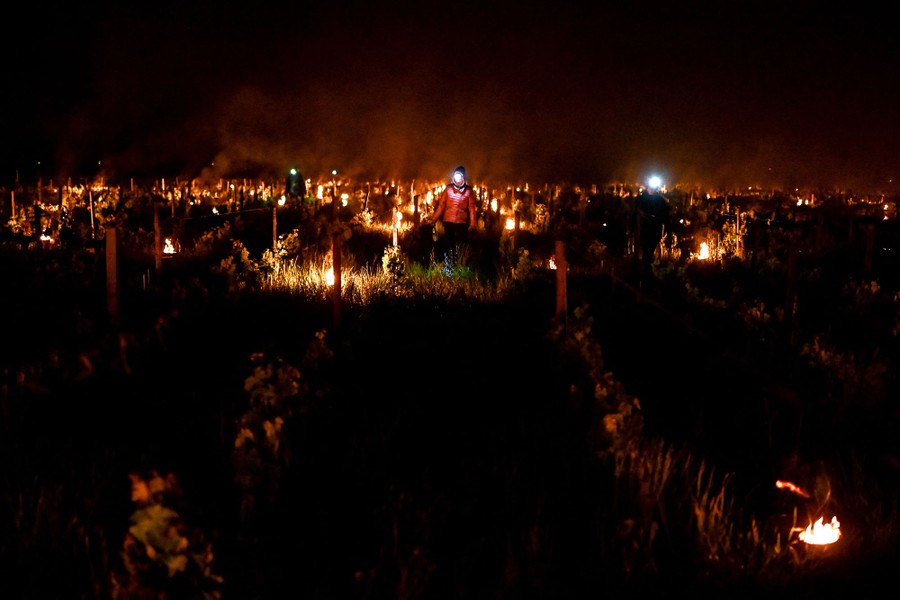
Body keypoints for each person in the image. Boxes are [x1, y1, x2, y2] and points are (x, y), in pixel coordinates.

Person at [424, 165, 478, 260]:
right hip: (448, 222)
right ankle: (450, 261)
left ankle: (460, 262)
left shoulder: (468, 191)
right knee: (449, 244)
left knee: (461, 244)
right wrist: (433, 219)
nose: (457, 179)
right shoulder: (448, 189)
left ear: (463, 178)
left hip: (462, 223)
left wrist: (473, 224)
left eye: (459, 177)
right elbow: (441, 206)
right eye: (456, 176)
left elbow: (471, 208)